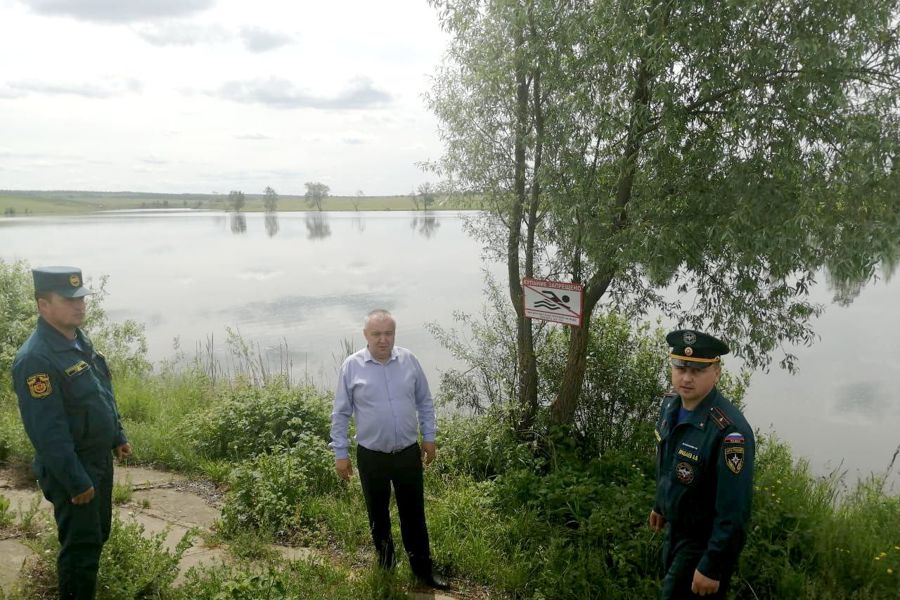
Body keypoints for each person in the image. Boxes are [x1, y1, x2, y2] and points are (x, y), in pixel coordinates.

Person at [12, 266, 131, 599]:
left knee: (97, 535)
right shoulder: (35, 359)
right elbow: (47, 431)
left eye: (81, 299)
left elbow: (99, 391)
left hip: (97, 461)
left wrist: (117, 434)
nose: (79, 306)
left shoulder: (77, 339)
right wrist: (76, 481)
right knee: (80, 549)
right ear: (43, 306)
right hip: (73, 469)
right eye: (68, 300)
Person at [330, 309, 449, 590]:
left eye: (388, 333)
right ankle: (387, 570)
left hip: (408, 453)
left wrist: (429, 438)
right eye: (376, 334)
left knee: (414, 515)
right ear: (365, 336)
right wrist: (341, 453)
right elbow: (341, 414)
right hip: (372, 456)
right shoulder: (352, 366)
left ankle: (423, 572)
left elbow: (425, 401)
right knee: (378, 516)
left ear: (394, 334)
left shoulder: (409, 361)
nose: (383, 340)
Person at [649, 329, 754, 599]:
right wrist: (661, 504)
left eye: (697, 371)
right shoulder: (670, 405)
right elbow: (669, 462)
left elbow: (734, 510)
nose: (686, 378)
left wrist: (712, 565)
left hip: (702, 543)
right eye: (680, 367)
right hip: (675, 531)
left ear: (716, 373)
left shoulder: (730, 432)